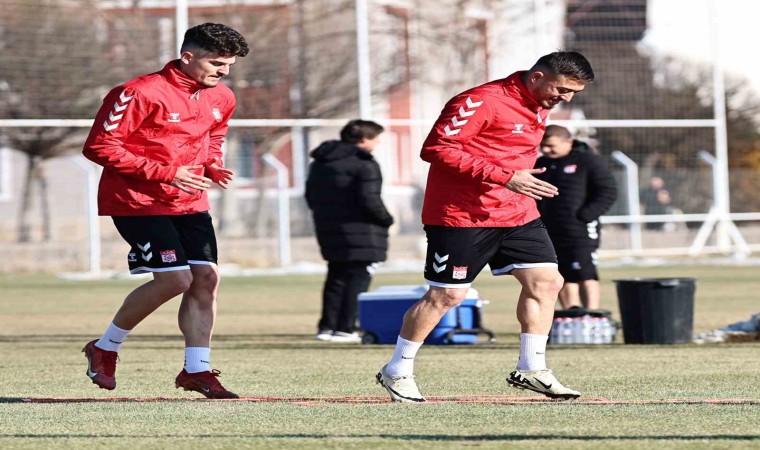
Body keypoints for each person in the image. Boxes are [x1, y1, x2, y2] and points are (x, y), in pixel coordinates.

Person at [375, 51, 594, 402]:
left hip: (518, 213)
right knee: (447, 296)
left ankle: (532, 368)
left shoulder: (540, 103)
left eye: (573, 93)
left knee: (547, 281)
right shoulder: (481, 100)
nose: (566, 98)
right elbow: (436, 148)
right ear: (537, 77)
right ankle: (397, 370)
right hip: (461, 215)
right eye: (562, 89)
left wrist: (513, 183)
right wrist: (505, 176)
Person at [81, 23, 249, 399]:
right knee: (175, 280)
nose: (224, 71)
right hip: (138, 202)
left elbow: (214, 135)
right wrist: (167, 172)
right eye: (216, 63)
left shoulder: (222, 96)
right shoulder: (137, 92)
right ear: (187, 56)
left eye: (229, 65)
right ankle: (105, 347)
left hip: (190, 201)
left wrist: (211, 164)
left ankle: (197, 370)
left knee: (206, 279)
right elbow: (99, 146)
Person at [305, 120, 394, 343]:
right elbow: (370, 199)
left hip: (329, 228)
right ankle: (346, 328)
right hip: (364, 231)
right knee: (358, 279)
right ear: (363, 140)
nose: (377, 143)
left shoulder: (320, 162)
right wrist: (387, 219)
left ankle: (327, 327)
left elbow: (311, 197)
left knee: (336, 277)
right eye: (375, 138)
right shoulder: (364, 163)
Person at [534, 125, 617, 310]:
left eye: (551, 146)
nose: (546, 150)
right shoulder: (540, 164)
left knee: (585, 272)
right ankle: (570, 315)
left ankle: (591, 314)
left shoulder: (588, 161)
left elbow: (608, 192)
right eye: (543, 146)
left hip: (580, 229)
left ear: (568, 142)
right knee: (559, 273)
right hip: (548, 229)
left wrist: (586, 215)